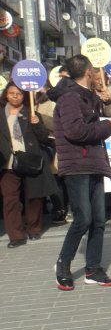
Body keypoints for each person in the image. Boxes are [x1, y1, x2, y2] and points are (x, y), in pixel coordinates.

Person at [53, 55, 111, 290]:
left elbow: (91, 128)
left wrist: (109, 120)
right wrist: (106, 125)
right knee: (83, 219)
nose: (98, 74)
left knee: (99, 220)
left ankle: (93, 268)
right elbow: (75, 131)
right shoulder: (70, 97)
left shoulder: (87, 95)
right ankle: (63, 264)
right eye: (95, 71)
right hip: (77, 165)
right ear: (87, 72)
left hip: (93, 162)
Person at [0, 82, 59, 247]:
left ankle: (34, 229)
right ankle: (16, 235)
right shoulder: (1, 114)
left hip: (30, 161)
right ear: (6, 94)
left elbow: (43, 138)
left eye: (19, 94)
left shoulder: (32, 112)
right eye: (12, 93)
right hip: (7, 163)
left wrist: (37, 124)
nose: (15, 96)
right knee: (10, 199)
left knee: (33, 197)